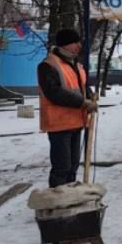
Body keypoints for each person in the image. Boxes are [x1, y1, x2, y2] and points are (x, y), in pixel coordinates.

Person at [37, 28, 96, 188]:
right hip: (59, 124)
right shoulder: (48, 65)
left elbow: (81, 87)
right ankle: (58, 202)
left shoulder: (76, 64)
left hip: (77, 122)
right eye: (75, 42)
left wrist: (90, 97)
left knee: (72, 166)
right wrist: (82, 103)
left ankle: (70, 197)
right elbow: (54, 92)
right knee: (61, 167)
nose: (79, 45)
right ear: (65, 44)